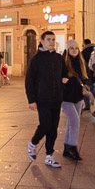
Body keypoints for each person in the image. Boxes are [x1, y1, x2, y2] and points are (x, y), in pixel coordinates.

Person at [25, 30, 65, 168]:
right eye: (48, 39)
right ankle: (33, 143)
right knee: (46, 125)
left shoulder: (59, 58)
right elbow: (29, 81)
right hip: (42, 98)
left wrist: (64, 83)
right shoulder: (36, 60)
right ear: (42, 41)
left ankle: (49, 155)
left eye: (53, 39)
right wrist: (31, 99)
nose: (51, 42)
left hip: (56, 98)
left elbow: (64, 74)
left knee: (54, 128)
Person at [60, 39, 87, 161]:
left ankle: (66, 147)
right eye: (71, 48)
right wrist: (63, 80)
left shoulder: (81, 62)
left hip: (78, 97)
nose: (74, 50)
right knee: (75, 122)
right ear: (67, 50)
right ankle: (73, 147)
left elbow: (86, 77)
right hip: (66, 98)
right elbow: (58, 78)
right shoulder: (63, 63)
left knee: (72, 123)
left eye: (76, 48)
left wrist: (86, 83)